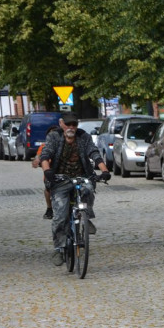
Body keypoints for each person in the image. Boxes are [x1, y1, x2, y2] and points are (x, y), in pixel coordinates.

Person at [40, 112, 111, 266]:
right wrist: (48, 171)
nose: (71, 127)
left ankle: (86, 217)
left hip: (81, 175)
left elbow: (93, 153)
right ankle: (59, 248)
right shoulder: (54, 137)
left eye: (74, 124)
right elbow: (45, 155)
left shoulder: (83, 137)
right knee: (60, 215)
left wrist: (104, 171)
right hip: (60, 179)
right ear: (61, 124)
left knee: (88, 189)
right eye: (68, 124)